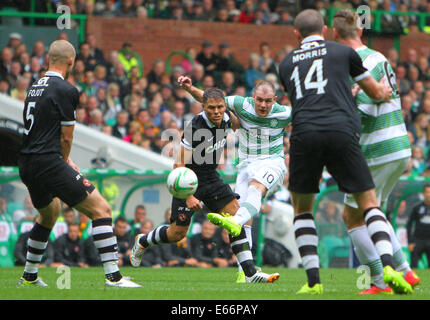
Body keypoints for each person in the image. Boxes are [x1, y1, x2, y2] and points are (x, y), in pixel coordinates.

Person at [278, 9, 411, 294]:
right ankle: (389, 266)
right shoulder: (343, 53)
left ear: (295, 34)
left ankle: (313, 283)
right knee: (369, 204)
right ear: (325, 30)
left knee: (302, 210)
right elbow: (375, 93)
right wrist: (383, 94)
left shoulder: (286, 62)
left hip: (304, 133)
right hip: (345, 132)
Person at [17, 40, 139, 287]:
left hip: (27, 163)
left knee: (49, 214)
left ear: (49, 59)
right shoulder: (67, 89)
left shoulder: (33, 87)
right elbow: (67, 136)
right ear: (71, 62)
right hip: (48, 162)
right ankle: (114, 277)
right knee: (101, 210)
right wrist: (65, 161)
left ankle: (29, 275)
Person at [130, 86, 279, 283]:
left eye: (219, 107)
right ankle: (142, 240)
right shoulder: (196, 128)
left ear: (225, 106)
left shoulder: (225, 117)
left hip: (211, 177)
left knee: (236, 217)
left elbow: (236, 125)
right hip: (188, 181)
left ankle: (249, 273)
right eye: (211, 108)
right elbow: (178, 164)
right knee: (177, 233)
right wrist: (189, 196)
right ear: (203, 107)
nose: (216, 111)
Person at [333, 9, 420, 295]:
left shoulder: (357, 63)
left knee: (352, 216)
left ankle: (379, 281)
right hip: (397, 144)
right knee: (374, 212)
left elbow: (366, 111)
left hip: (376, 149)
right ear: (360, 31)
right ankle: (406, 271)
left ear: (335, 34)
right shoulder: (379, 57)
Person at [178, 77, 290, 283]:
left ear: (275, 100)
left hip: (271, 162)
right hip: (246, 165)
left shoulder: (285, 113)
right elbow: (209, 99)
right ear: (252, 98)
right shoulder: (239, 104)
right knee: (244, 219)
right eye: (259, 100)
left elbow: (311, 119)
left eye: (268, 101)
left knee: (254, 192)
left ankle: (234, 223)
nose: (263, 105)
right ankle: (244, 272)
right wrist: (189, 87)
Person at [407, 184, 430, 268]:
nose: (429, 194)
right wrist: (410, 242)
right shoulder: (417, 208)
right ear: (424, 193)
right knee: (414, 267)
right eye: (427, 192)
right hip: (418, 240)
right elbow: (409, 224)